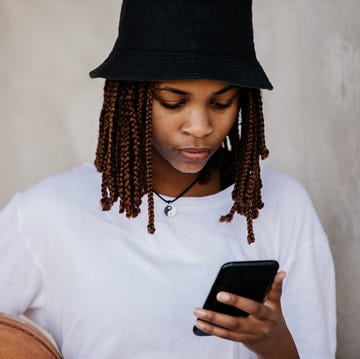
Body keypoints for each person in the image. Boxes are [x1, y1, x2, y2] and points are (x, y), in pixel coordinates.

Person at [0, 0, 336, 358]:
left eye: (221, 103)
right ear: (130, 97)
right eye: (173, 102)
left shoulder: (283, 205)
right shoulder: (45, 213)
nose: (200, 127)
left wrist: (273, 344)